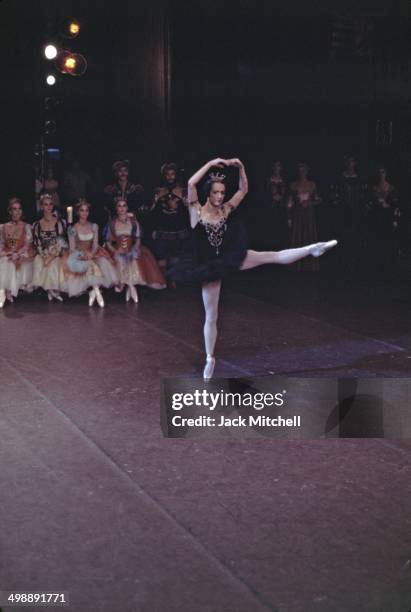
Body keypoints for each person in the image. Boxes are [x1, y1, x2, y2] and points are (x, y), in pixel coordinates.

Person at [169, 157, 337, 380]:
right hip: (207, 266)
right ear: (208, 193)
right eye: (216, 192)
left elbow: (243, 189)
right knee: (211, 316)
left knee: (272, 256)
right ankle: (210, 357)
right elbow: (191, 184)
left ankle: (313, 249)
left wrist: (240, 167)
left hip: (229, 256)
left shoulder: (225, 210)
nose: (220, 196)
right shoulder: (196, 212)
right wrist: (212, 164)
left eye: (222, 192)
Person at [104, 199, 166, 303]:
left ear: (127, 208)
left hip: (131, 249)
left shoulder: (133, 222)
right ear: (116, 208)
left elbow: (137, 239)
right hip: (119, 251)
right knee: (119, 261)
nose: (122, 208)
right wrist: (115, 251)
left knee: (134, 259)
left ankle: (131, 286)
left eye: (124, 206)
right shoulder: (112, 223)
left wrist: (134, 249)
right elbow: (108, 242)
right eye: (119, 206)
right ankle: (126, 285)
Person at [63, 200, 118, 307]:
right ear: (78, 212)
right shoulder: (72, 228)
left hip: (92, 253)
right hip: (79, 254)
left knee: (97, 264)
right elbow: (72, 247)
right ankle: (96, 291)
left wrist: (91, 254)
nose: (84, 213)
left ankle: (95, 290)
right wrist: (82, 255)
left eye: (86, 210)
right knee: (87, 266)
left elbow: (96, 244)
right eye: (82, 210)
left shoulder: (94, 226)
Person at [149, 162, 191, 282]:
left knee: (176, 258)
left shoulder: (184, 191)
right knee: (161, 257)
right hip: (162, 229)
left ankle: (174, 281)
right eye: (167, 174)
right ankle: (162, 281)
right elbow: (153, 212)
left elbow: (189, 213)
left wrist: (185, 202)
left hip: (179, 229)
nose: (170, 177)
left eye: (172, 174)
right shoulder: (158, 191)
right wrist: (154, 229)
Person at [32, 194, 68, 301]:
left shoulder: (59, 222)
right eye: (45, 204)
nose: (48, 207)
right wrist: (44, 256)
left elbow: (61, 242)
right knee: (39, 261)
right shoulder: (37, 224)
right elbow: (37, 242)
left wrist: (51, 256)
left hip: (57, 252)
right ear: (41, 206)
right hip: (44, 252)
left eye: (50, 204)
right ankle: (49, 289)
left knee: (54, 263)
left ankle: (53, 289)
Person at [0, 198, 34, 308]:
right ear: (10, 211)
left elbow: (26, 245)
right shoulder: (3, 227)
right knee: (4, 260)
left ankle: (7, 290)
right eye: (14, 209)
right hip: (9, 252)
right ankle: (2, 291)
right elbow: (1, 244)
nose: (17, 211)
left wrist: (17, 254)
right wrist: (5, 253)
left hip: (21, 254)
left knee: (10, 261)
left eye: (19, 209)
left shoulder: (26, 227)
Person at [288, 162, 321, 271]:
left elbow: (318, 199)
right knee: (298, 236)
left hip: (309, 214)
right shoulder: (293, 185)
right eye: (300, 170)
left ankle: (309, 265)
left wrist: (310, 202)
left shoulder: (312, 184)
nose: (302, 172)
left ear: (307, 171)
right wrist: (289, 216)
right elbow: (289, 202)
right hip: (298, 214)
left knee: (309, 236)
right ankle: (297, 265)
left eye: (304, 169)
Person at [266, 160, 289, 250]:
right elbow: (263, 194)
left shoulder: (284, 181)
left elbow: (287, 194)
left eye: (278, 166)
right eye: (275, 166)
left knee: (281, 230)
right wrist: (271, 197)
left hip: (281, 208)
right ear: (272, 168)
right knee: (271, 229)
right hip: (271, 208)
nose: (277, 168)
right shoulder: (268, 180)